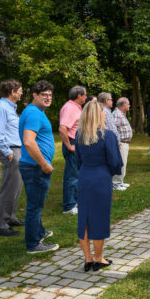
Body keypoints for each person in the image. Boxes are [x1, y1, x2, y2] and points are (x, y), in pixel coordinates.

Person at [75, 100, 123, 272]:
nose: (104, 114)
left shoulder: (79, 135)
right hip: (101, 178)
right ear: (98, 114)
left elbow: (78, 160)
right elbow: (115, 162)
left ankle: (87, 259)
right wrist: (110, 172)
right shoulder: (107, 135)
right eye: (102, 112)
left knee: (85, 218)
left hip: (84, 177)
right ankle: (98, 258)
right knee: (100, 218)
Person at [18, 80, 59, 254]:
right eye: (44, 95)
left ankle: (39, 232)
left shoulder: (33, 111)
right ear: (35, 95)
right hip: (36, 167)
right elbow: (28, 141)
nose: (48, 98)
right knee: (35, 206)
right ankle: (33, 244)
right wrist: (44, 164)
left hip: (32, 166)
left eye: (50, 95)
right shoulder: (34, 113)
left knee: (35, 203)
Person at [0, 79, 24, 236]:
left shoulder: (9, 107)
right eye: (20, 90)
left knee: (16, 188)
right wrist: (8, 152)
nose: (22, 92)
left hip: (17, 150)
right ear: (12, 92)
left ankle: (10, 217)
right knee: (9, 188)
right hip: (10, 151)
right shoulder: (1, 108)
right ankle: (1, 225)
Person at [59, 85, 87, 215]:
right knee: (72, 176)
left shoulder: (76, 107)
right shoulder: (70, 108)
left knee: (77, 174)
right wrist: (69, 145)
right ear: (79, 96)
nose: (86, 97)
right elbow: (63, 128)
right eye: (85, 95)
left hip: (77, 143)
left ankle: (75, 201)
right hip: (72, 143)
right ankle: (69, 206)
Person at [113, 97, 133, 190]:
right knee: (121, 163)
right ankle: (116, 183)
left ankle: (120, 181)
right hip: (121, 143)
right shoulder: (117, 114)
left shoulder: (121, 114)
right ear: (123, 105)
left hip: (124, 143)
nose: (129, 106)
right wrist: (117, 141)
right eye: (128, 104)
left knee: (123, 163)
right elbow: (113, 129)